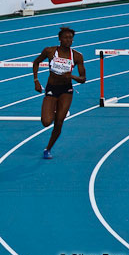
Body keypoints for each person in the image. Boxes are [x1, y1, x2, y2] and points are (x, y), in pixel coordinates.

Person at [33, 27, 86, 160]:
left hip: (66, 90)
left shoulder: (77, 56)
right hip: (51, 88)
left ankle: (48, 148)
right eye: (65, 37)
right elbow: (36, 62)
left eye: (70, 38)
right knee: (46, 122)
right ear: (60, 39)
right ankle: (54, 111)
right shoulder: (50, 51)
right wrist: (36, 80)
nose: (68, 40)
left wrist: (72, 77)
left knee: (59, 122)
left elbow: (83, 78)